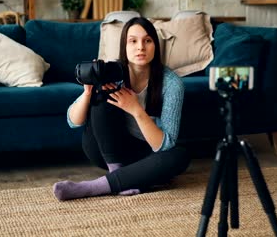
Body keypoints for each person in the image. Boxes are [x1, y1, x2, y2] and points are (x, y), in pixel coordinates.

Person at [53, 17, 190, 201]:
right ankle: (118, 173)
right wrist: (88, 93)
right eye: (133, 41)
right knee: (102, 95)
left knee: (179, 156)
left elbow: (163, 145)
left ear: (155, 46)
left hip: (146, 154)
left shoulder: (172, 84)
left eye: (147, 41)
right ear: (124, 47)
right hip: (107, 151)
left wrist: (135, 109)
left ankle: (94, 187)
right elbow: (73, 121)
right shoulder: (112, 72)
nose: (140, 47)